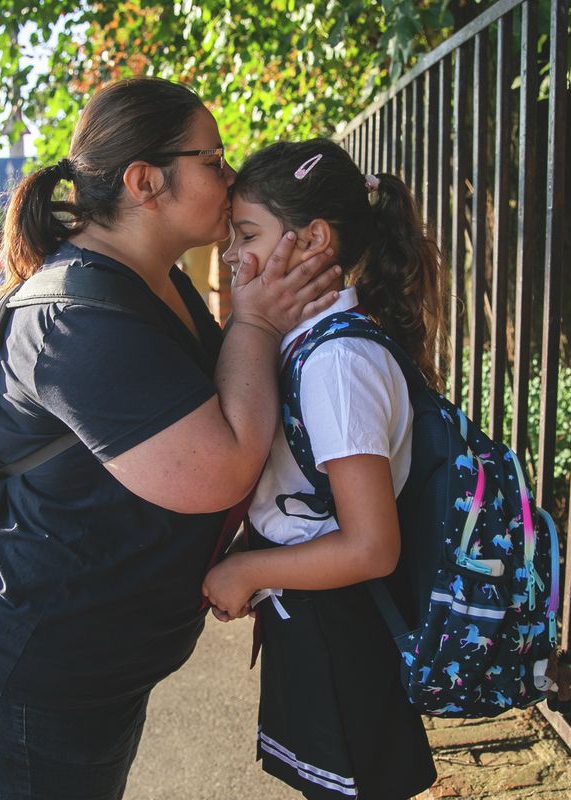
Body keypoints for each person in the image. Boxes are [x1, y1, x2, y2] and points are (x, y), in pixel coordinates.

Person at [0, 78, 341, 800]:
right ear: (147, 181)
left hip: (91, 656)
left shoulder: (150, 279)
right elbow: (222, 467)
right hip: (28, 663)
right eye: (215, 160)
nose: (230, 179)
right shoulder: (79, 325)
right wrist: (257, 323)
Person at [203, 139, 446, 799]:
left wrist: (247, 569)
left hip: (341, 628)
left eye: (246, 233)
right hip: (313, 616)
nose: (230, 254)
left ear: (311, 240)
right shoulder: (310, 345)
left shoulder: (338, 365)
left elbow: (372, 547)